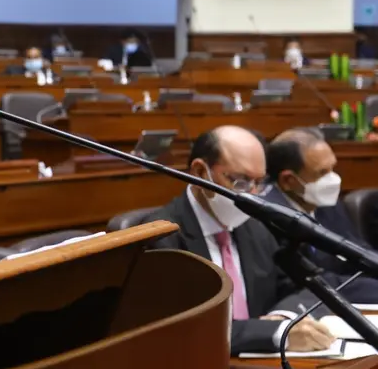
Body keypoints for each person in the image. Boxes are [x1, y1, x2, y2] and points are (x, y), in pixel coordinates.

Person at [143, 126, 335, 355]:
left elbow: (302, 288)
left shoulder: (255, 227)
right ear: (200, 172)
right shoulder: (161, 239)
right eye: (241, 182)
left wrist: (283, 316)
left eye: (258, 183)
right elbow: (181, 329)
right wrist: (274, 332)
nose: (251, 195)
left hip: (264, 368)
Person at [264, 128, 378, 302]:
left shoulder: (323, 202)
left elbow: (357, 250)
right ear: (288, 180)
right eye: (322, 172)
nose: (333, 179)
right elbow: (314, 281)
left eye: (333, 168)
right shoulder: (271, 217)